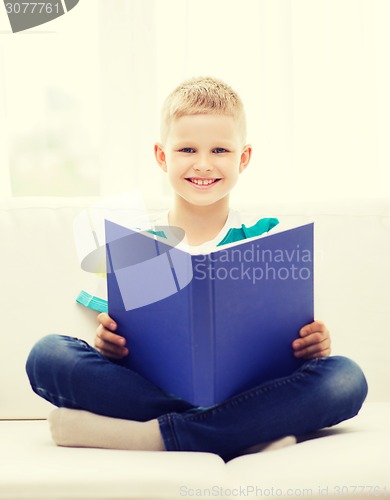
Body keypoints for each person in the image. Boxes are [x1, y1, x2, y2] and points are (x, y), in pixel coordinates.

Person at [26, 76, 368, 461]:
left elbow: (291, 342)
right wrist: (109, 348)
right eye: (187, 149)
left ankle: (153, 437)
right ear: (162, 156)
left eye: (220, 149)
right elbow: (123, 341)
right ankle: (242, 432)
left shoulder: (267, 238)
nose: (203, 164)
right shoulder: (135, 244)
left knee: (346, 378)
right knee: (48, 354)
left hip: (249, 389)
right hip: (155, 389)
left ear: (243, 158)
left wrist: (313, 347)